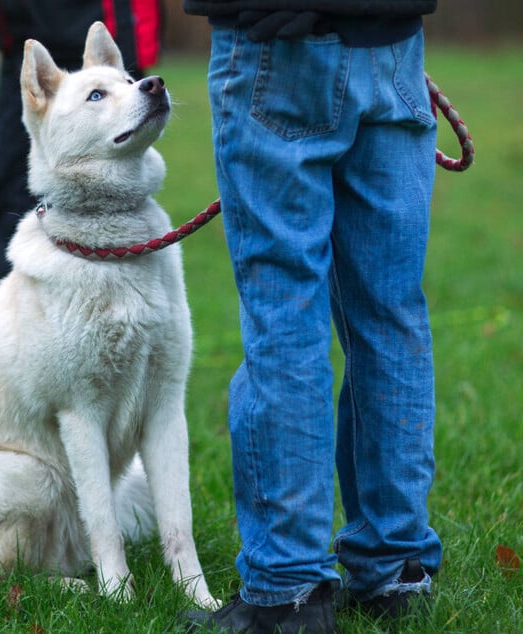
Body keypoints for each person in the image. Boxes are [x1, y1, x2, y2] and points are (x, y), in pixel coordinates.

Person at [178, 2, 442, 633]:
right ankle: (396, 569)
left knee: (284, 313)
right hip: (392, 42)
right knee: (389, 312)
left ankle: (287, 589)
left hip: (278, 44)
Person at [0, 0, 163, 385]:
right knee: (12, 207)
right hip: (32, 32)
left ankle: (134, 353)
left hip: (105, 23)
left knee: (123, 205)